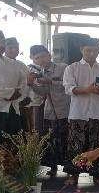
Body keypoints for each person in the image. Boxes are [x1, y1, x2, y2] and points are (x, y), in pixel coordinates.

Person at [63, 38, 99, 185]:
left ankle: (97, 174)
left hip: (98, 112)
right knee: (76, 144)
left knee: (98, 144)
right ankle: (73, 174)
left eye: (95, 51)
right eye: (88, 50)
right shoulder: (72, 68)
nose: (92, 53)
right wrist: (88, 89)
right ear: (81, 50)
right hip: (78, 112)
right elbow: (68, 89)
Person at [29, 45, 69, 177]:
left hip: (64, 109)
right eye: (37, 58)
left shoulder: (63, 67)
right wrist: (32, 84)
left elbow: (68, 85)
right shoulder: (38, 72)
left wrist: (50, 81)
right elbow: (43, 92)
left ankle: (69, 167)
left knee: (66, 139)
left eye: (43, 56)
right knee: (50, 140)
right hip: (49, 111)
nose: (41, 60)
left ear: (49, 55)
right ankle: (53, 167)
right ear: (33, 60)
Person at [0, 31, 26, 135]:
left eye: (3, 42)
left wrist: (19, 92)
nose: (1, 45)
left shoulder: (11, 62)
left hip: (13, 106)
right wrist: (9, 93)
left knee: (15, 139)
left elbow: (23, 80)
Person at [4, 37, 33, 131]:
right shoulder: (0, 63)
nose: (14, 50)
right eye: (10, 48)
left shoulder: (22, 65)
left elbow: (28, 84)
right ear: (4, 48)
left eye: (16, 47)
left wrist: (28, 97)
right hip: (4, 104)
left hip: (22, 104)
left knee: (23, 132)